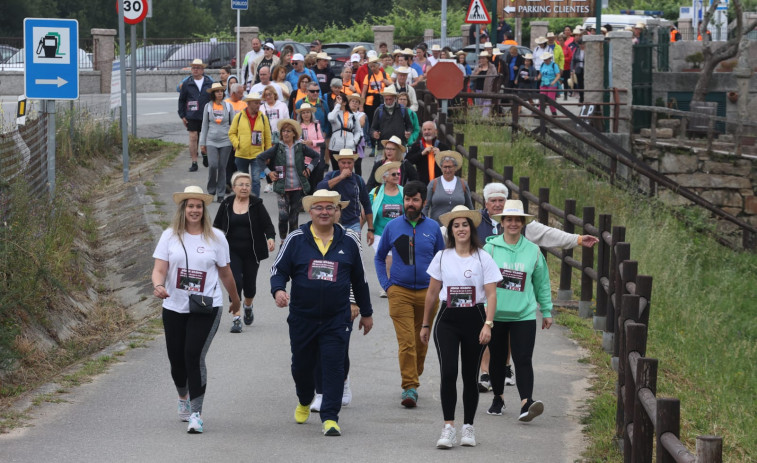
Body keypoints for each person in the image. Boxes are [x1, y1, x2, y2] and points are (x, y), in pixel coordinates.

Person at [473, 182, 598, 392]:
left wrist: (576, 239)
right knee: (489, 332)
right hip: (489, 292)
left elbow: (549, 234)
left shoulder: (522, 226)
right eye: (493, 200)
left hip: (517, 297)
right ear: (486, 203)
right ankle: (486, 373)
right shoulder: (476, 222)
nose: (497, 204)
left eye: (501, 200)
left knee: (510, 335)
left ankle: (505, 368)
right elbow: (450, 231)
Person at [271, 189, 373, 437]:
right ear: (310, 211)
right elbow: (278, 270)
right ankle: (305, 399)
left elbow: (359, 280)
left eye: (330, 208)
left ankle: (330, 417)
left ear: (337, 212)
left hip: (336, 318)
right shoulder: (296, 238)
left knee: (334, 366)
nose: (325, 212)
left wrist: (367, 312)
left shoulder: (348, 240)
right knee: (301, 367)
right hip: (302, 317)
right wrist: (278, 291)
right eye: (319, 208)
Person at [151, 186, 241, 434]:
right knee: (176, 360)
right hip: (174, 305)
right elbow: (159, 268)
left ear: (204, 210)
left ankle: (196, 414)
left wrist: (235, 300)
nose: (194, 210)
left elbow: (225, 272)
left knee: (193, 355)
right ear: (183, 209)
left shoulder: (216, 237)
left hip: (206, 306)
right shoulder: (169, 236)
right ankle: (183, 397)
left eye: (198, 206)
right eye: (190, 206)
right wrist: (158, 285)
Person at [419, 206, 501, 449]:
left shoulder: (483, 257)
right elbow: (432, 293)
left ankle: (468, 426)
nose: (461, 229)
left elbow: (492, 295)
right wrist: (425, 324)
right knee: (448, 373)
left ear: (471, 228)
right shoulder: (442, 257)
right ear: (451, 230)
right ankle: (448, 427)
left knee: (469, 376)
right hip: (447, 319)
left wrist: (488, 324)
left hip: (475, 318)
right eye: (456, 225)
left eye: (465, 224)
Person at [375, 180, 445, 408]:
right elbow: (379, 256)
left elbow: (443, 259)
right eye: (407, 199)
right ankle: (410, 387)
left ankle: (413, 376)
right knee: (406, 342)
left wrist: (441, 288)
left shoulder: (433, 228)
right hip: (400, 292)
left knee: (421, 341)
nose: (410, 204)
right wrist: (387, 285)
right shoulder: (392, 227)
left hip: (428, 294)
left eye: (415, 200)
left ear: (424, 202)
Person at [483, 199, 553, 422]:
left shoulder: (533, 251)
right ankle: (498, 397)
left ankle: (526, 403)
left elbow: (542, 282)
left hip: (524, 314)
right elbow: (479, 280)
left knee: (523, 358)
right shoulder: (490, 248)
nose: (513, 223)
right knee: (497, 358)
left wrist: (547, 310)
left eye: (517, 220)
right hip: (496, 314)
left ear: (523, 223)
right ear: (502, 222)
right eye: (509, 219)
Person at [213, 172, 275, 332]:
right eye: (241, 184)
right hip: (230, 251)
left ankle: (248, 306)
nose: (244, 187)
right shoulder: (226, 204)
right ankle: (236, 318)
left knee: (249, 285)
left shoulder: (256, 204)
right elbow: (217, 226)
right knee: (235, 282)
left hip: (252, 251)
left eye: (247, 185)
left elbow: (267, 225)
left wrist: (270, 238)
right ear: (234, 187)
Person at [258, 118, 320, 243]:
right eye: (283, 131)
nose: (285, 133)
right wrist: (268, 173)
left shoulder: (300, 147)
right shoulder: (277, 147)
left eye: (288, 131)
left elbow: (316, 156)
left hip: (297, 187)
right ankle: (282, 240)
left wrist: (309, 169)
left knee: (293, 218)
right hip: (282, 187)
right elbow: (260, 158)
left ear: (294, 134)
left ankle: (292, 242)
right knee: (283, 216)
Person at [316, 150, 374, 241]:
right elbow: (319, 188)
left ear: (353, 163)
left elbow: (366, 204)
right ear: (338, 163)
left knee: (355, 252)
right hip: (332, 224)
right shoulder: (332, 175)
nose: (346, 166)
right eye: (343, 163)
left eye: (349, 163)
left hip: (353, 224)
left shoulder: (358, 180)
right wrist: (341, 177)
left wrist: (370, 229)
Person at [368, 161, 403, 298]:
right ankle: (388, 286)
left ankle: (395, 284)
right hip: (379, 233)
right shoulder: (375, 193)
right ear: (385, 177)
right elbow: (367, 212)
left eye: (398, 174)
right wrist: (367, 230)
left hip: (400, 233)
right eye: (393, 174)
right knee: (388, 258)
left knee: (399, 260)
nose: (396, 176)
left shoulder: (404, 191)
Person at [228, 92, 272, 198]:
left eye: (259, 103)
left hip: (258, 154)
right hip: (241, 154)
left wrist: (268, 153)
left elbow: (267, 136)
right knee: (242, 181)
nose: (258, 105)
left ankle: (255, 202)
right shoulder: (239, 116)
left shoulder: (263, 117)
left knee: (256, 180)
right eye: (256, 103)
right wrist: (237, 144)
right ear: (249, 103)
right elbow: (231, 133)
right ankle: (242, 200)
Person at [199, 82, 234, 203]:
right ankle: (211, 190)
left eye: (221, 91)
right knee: (213, 165)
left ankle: (221, 193)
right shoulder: (208, 107)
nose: (220, 93)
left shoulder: (228, 107)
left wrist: (234, 141)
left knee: (222, 167)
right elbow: (204, 126)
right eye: (217, 91)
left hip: (226, 141)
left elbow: (233, 125)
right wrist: (202, 143)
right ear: (213, 94)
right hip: (211, 140)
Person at [178, 59, 213, 172]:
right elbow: (182, 100)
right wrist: (182, 115)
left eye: (198, 68)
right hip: (192, 115)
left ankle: (205, 154)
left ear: (203, 70)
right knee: (193, 137)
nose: (195, 70)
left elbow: (214, 99)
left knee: (206, 138)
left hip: (206, 115)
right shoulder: (187, 83)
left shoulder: (209, 82)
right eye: (193, 68)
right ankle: (194, 162)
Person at [422, 151, 473, 224]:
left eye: (450, 167)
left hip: (457, 227)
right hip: (437, 227)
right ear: (441, 168)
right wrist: (425, 223)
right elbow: (425, 206)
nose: (447, 170)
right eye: (445, 167)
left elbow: (469, 207)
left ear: (455, 167)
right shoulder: (433, 184)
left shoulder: (463, 184)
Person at [370, 85, 413, 158]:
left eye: (390, 99)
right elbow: (372, 129)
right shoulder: (379, 110)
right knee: (382, 168)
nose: (388, 101)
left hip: (399, 146)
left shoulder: (402, 109)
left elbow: (410, 126)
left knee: (400, 168)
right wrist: (374, 134)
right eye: (386, 99)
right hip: (383, 148)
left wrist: (408, 132)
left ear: (395, 98)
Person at [327, 92, 363, 174]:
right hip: (335, 146)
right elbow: (331, 118)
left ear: (345, 102)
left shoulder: (353, 116)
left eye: (340, 100)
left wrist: (354, 141)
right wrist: (338, 106)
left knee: (348, 170)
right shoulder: (333, 114)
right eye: (336, 101)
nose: (337, 102)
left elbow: (358, 131)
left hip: (349, 146)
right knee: (336, 171)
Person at [471, 52, 497, 118]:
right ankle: (479, 125)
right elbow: (471, 78)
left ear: (487, 59)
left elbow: (495, 78)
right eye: (480, 58)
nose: (481, 60)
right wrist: (478, 72)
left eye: (483, 58)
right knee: (478, 109)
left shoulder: (492, 68)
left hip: (488, 91)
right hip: (478, 91)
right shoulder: (477, 67)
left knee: (486, 110)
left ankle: (484, 122)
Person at [538, 52, 561, 116]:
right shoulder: (542, 64)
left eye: (546, 59)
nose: (545, 61)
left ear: (550, 58)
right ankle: (540, 112)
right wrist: (538, 78)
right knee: (541, 99)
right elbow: (540, 74)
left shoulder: (554, 65)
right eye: (544, 59)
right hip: (543, 83)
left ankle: (554, 112)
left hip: (551, 84)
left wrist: (554, 81)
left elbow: (558, 75)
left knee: (550, 99)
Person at [570, 40, 586, 104]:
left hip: (585, 69)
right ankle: (581, 98)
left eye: (582, 44)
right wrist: (572, 69)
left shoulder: (587, 51)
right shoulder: (577, 50)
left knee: (585, 84)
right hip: (578, 68)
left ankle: (585, 97)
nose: (581, 46)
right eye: (580, 44)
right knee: (580, 84)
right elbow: (573, 60)